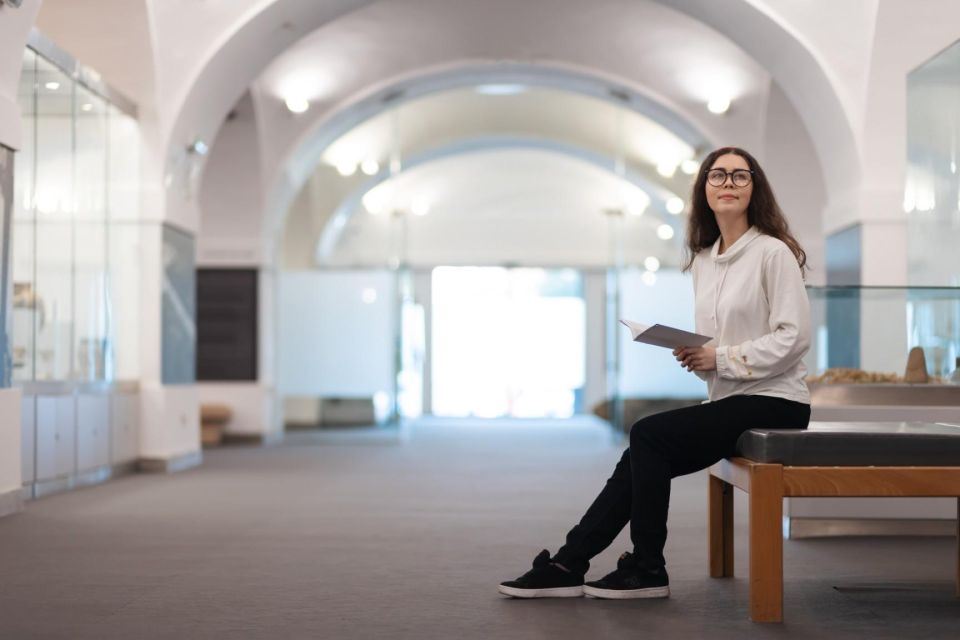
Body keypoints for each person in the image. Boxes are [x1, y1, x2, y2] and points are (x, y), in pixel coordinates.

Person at [498, 146, 812, 599]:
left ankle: (647, 566)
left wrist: (719, 358)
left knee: (648, 435)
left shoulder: (772, 253)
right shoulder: (704, 259)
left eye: (740, 176)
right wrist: (697, 353)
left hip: (778, 402)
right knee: (641, 456)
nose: (728, 183)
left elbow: (793, 337)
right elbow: (724, 339)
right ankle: (570, 562)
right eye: (717, 175)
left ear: (754, 188)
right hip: (731, 401)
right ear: (704, 189)